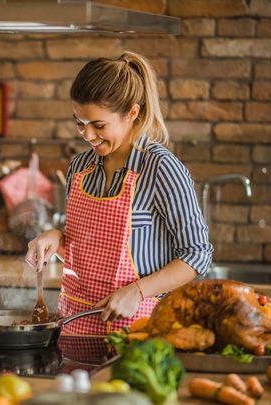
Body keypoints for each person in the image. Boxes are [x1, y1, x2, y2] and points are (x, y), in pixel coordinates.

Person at [26, 51, 213, 335]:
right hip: (76, 327)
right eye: (80, 123)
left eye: (99, 125)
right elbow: (90, 249)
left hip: (140, 331)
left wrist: (137, 291)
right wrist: (56, 237)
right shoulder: (80, 166)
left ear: (132, 113)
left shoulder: (160, 167)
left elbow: (197, 254)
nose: (87, 136)